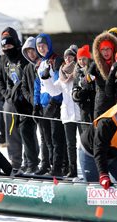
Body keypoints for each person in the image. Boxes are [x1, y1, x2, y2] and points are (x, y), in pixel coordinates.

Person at [42, 44, 82, 177]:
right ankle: (73, 170)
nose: (68, 59)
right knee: (70, 144)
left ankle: (89, 169)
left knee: (84, 143)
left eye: (71, 56)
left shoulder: (80, 71)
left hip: (80, 113)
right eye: (66, 57)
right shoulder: (62, 75)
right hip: (67, 114)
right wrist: (46, 79)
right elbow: (54, 91)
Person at [33, 33, 66, 176]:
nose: (41, 48)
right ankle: (50, 165)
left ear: (49, 45)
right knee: (47, 139)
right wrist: (36, 104)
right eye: (39, 46)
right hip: (44, 105)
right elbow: (37, 85)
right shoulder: (40, 64)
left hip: (55, 105)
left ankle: (59, 167)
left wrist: (55, 101)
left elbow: (60, 82)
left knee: (56, 138)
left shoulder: (56, 60)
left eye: (43, 46)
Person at [0, 27, 29, 171]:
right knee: (11, 133)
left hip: (24, 100)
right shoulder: (3, 58)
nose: (7, 48)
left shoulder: (23, 56)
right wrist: (6, 95)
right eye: (4, 45)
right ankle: (15, 162)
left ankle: (30, 161)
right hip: (9, 101)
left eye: (9, 43)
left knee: (27, 132)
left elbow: (28, 77)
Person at [20, 36, 41, 174]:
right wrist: (31, 98)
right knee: (26, 132)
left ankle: (51, 164)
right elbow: (24, 86)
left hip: (46, 107)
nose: (30, 54)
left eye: (32, 50)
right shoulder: (27, 68)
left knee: (47, 138)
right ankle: (31, 162)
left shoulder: (44, 64)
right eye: (27, 51)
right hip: (30, 107)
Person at [88, 31, 117, 117]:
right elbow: (86, 83)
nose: (105, 52)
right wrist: (88, 77)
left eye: (108, 49)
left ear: (113, 49)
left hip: (116, 106)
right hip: (101, 106)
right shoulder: (95, 66)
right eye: (103, 49)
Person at [71, 45, 95, 132]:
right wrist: (76, 95)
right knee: (86, 136)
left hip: (94, 107)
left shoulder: (93, 70)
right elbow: (74, 87)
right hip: (84, 109)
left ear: (88, 59)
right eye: (79, 59)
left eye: (84, 59)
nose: (82, 62)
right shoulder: (77, 72)